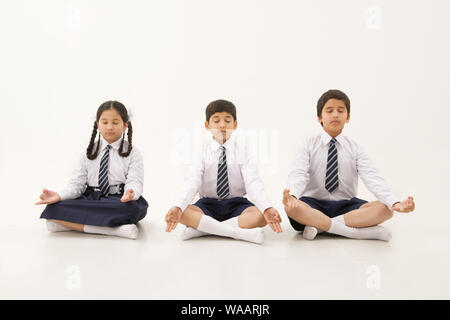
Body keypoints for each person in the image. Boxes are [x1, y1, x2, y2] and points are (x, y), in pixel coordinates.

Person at [283, 89, 415, 241]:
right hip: (313, 205)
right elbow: (299, 173)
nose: (335, 115)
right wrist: (292, 196)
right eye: (329, 110)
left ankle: (319, 227)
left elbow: (372, 177)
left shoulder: (356, 148)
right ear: (320, 117)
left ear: (348, 117)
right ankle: (353, 232)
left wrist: (395, 202)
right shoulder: (308, 145)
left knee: (386, 209)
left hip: (346, 207)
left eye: (340, 110)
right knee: (291, 207)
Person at [165, 99, 282, 244]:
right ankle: (236, 232)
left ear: (235, 125)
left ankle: (203, 230)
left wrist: (267, 207)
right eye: (216, 120)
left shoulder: (243, 151)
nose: (222, 125)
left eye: (227, 120)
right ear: (207, 125)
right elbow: (192, 181)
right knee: (183, 212)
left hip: (237, 204)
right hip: (208, 204)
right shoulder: (201, 151)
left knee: (261, 215)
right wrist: (178, 207)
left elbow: (253, 182)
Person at [36, 100, 148, 239]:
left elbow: (135, 182)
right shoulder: (87, 152)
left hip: (119, 199)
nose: (109, 127)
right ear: (97, 125)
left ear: (125, 125)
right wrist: (58, 196)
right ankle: (113, 230)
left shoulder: (133, 153)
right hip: (92, 198)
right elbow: (76, 185)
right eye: (104, 122)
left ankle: (65, 224)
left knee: (133, 209)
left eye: (115, 122)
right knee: (53, 207)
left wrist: (131, 194)